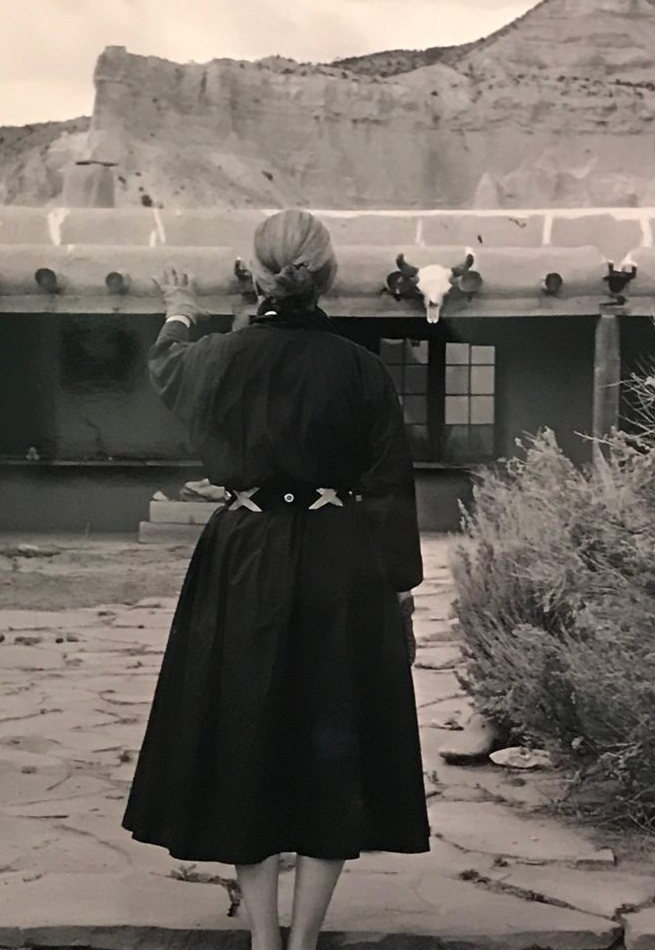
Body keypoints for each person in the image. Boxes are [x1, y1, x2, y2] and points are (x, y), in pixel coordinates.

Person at [122, 209, 429, 950]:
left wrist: (179, 310)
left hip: (242, 559)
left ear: (255, 275)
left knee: (244, 733)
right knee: (334, 741)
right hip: (340, 561)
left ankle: (264, 939)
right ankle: (303, 942)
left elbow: (166, 366)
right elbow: (388, 486)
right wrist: (401, 597)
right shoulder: (360, 369)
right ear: (326, 278)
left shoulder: (216, 359)